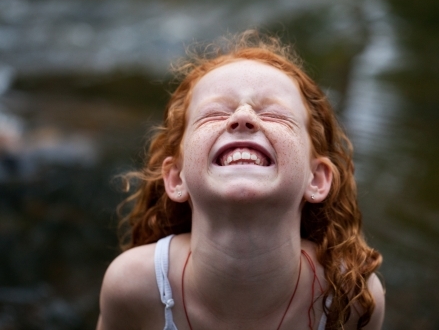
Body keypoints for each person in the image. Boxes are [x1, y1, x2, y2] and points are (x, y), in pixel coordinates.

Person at [96, 30, 384, 330]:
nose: (243, 117)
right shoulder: (133, 287)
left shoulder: (351, 297)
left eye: (274, 114)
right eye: (214, 112)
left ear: (317, 179)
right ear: (176, 178)